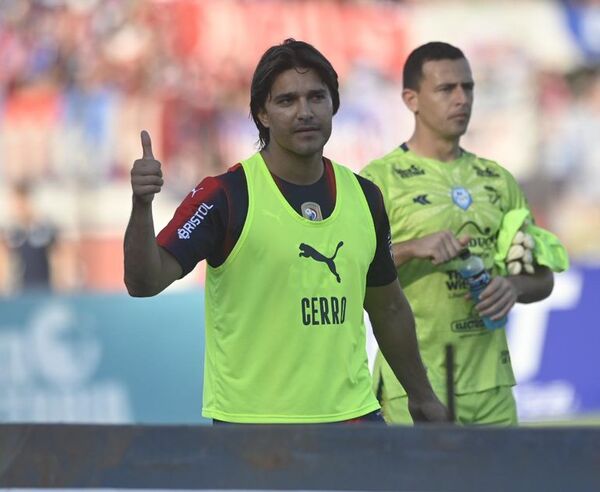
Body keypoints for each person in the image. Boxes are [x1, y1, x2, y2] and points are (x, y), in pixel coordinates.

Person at [124, 39, 447, 424]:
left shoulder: (365, 196)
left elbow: (388, 307)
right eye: (287, 101)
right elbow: (144, 282)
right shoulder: (225, 195)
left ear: (334, 105)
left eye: (316, 97)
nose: (305, 112)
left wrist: (422, 396)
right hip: (254, 431)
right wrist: (141, 206)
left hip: (354, 421)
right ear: (262, 113)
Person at [360, 42, 559, 426]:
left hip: (492, 389)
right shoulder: (377, 181)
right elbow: (349, 272)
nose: (461, 99)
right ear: (411, 99)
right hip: (413, 390)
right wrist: (412, 248)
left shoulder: (499, 180)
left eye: (468, 88)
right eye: (446, 89)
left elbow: (543, 277)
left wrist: (514, 286)